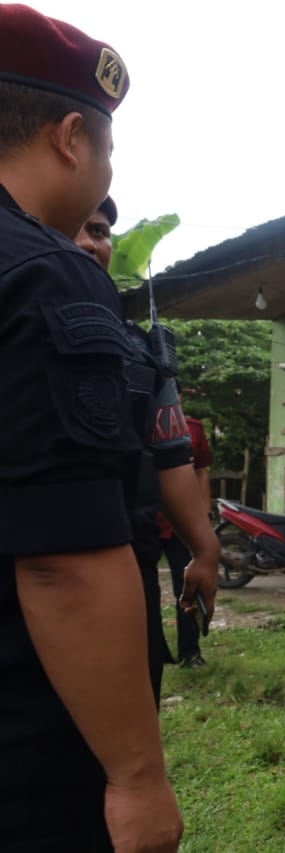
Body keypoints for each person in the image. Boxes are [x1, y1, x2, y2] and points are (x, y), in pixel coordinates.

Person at [0, 6, 183, 850]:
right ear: (72, 137)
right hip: (27, 746)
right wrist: (139, 777)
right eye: (108, 147)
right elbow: (63, 560)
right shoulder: (47, 277)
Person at [74, 197, 222, 690]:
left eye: (98, 231)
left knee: (132, 692)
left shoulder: (139, 352)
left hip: (125, 562)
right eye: (72, 228)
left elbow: (171, 455)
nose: (87, 243)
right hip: (27, 565)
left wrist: (204, 548)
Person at [158, 412, 214, 668]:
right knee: (142, 588)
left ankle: (189, 652)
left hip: (182, 523)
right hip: (145, 521)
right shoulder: (133, 419)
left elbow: (202, 472)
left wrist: (203, 515)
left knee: (188, 587)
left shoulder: (192, 428)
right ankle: (150, 650)